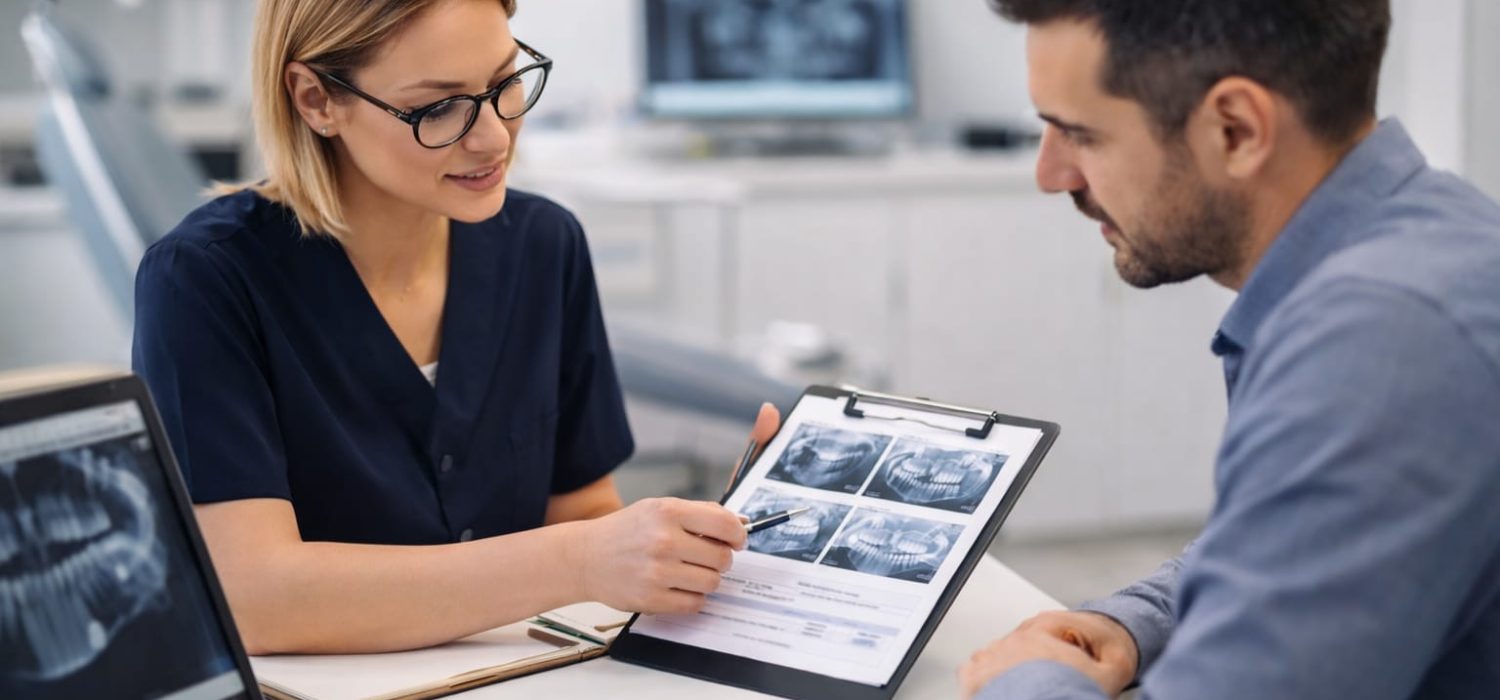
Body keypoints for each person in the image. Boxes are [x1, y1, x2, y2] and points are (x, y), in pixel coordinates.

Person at [132, 0, 767, 655]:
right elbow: (254, 598)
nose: (493, 138)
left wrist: (702, 545)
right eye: (438, 107)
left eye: (504, 82)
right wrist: (578, 560)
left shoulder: (544, 246)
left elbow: (581, 515)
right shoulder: (204, 280)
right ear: (317, 99)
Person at [952, 1, 1500, 698]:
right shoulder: (1432, 239)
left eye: (1079, 135)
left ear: (1235, 129)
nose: (1052, 174)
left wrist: (1024, 682)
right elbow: (1296, 540)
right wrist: (1136, 622)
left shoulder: (1384, 346)